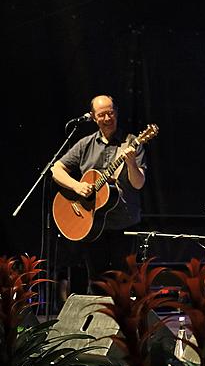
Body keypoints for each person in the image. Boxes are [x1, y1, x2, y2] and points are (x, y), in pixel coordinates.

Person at [51, 95, 147, 295]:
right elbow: (56, 169)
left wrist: (130, 162)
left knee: (124, 281)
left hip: (123, 223)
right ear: (94, 118)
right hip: (92, 224)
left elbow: (138, 184)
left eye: (110, 113)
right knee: (96, 281)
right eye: (102, 114)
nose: (107, 118)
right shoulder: (85, 144)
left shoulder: (131, 143)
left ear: (116, 113)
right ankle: (97, 324)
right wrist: (77, 187)